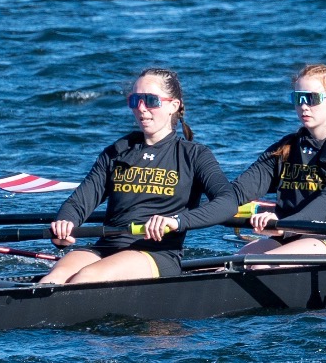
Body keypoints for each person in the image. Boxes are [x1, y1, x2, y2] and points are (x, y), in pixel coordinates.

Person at [41, 68, 237, 285]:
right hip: (106, 246)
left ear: (174, 105)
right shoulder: (117, 151)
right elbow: (79, 202)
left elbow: (228, 203)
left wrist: (177, 221)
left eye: (151, 100)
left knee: (86, 277)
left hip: (156, 253)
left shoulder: (194, 155)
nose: (141, 108)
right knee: (53, 279)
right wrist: (65, 223)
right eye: (135, 100)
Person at [232, 64, 326, 256]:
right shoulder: (285, 148)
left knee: (259, 263)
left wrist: (285, 225)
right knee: (235, 261)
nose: (304, 106)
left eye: (312, 98)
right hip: (289, 235)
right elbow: (240, 189)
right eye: (298, 98)